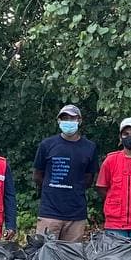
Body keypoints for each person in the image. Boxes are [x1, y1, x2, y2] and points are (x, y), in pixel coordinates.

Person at [32, 103, 98, 242]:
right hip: (50, 213)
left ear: (79, 121)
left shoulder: (90, 148)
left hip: (76, 215)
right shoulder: (47, 145)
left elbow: (89, 179)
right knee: (44, 256)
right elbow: (38, 175)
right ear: (59, 121)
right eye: (65, 118)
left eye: (72, 118)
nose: (68, 121)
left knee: (71, 259)